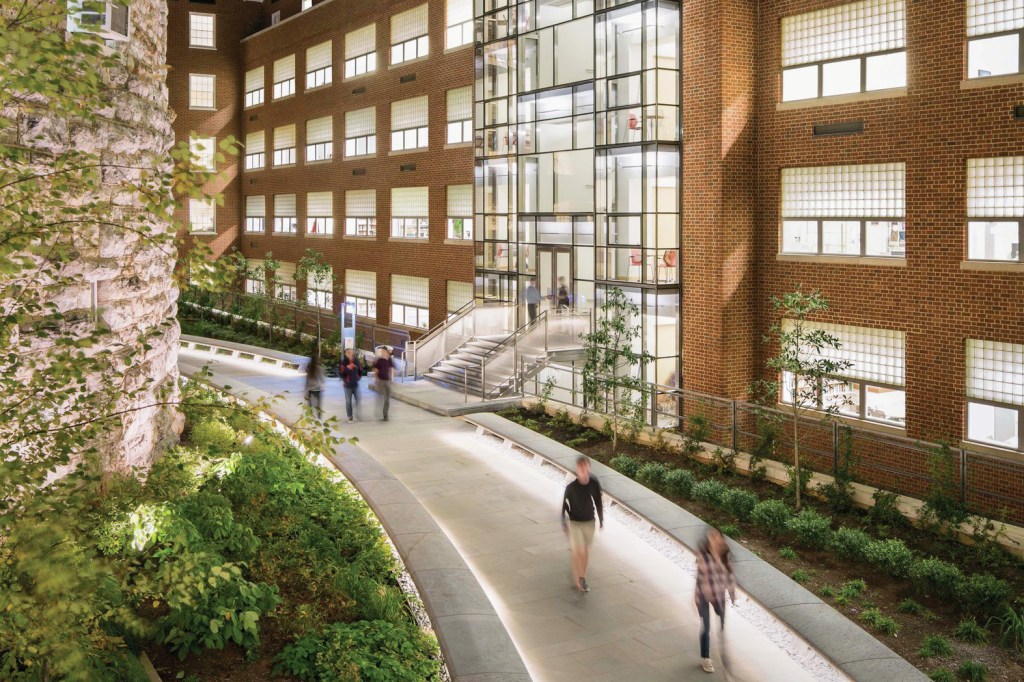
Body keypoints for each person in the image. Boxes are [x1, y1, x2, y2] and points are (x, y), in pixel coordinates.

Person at [694, 526, 737, 673]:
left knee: (722, 628)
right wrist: (696, 598)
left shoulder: (725, 556)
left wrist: (732, 594)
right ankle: (705, 657)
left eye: (717, 536)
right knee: (706, 627)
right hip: (704, 595)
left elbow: (730, 576)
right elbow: (701, 577)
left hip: (718, 596)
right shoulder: (704, 557)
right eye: (712, 537)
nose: (715, 539)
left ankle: (724, 658)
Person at [561, 456, 603, 592]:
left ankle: (582, 577)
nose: (583, 469)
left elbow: (598, 502)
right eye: (580, 467)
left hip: (589, 521)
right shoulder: (571, 488)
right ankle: (576, 578)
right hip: (575, 523)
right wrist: (564, 522)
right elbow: (564, 506)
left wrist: (601, 520)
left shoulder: (594, 484)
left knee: (585, 551)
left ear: (589, 468)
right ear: (577, 469)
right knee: (578, 551)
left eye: (585, 466)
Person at [339, 347, 362, 423]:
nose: (349, 353)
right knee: (348, 401)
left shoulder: (356, 361)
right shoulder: (343, 363)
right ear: (345, 354)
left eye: (350, 352)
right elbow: (341, 373)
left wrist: (358, 378)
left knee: (358, 399)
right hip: (347, 385)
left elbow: (360, 370)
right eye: (348, 352)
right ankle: (350, 417)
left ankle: (357, 413)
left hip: (355, 384)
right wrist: (344, 379)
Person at [372, 346, 394, 422]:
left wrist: (392, 378)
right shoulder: (379, 360)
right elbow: (376, 370)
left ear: (386, 352)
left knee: (387, 399)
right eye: (381, 352)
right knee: (383, 397)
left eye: (383, 351)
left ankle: (385, 414)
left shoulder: (389, 359)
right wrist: (376, 379)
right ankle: (383, 414)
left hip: (387, 381)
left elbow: (391, 369)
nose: (382, 353)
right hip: (381, 381)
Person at [304, 345, 325, 419]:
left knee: (310, 403)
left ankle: (310, 415)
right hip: (317, 388)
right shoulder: (319, 368)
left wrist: (306, 390)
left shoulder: (309, 369)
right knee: (318, 404)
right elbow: (322, 378)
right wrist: (322, 385)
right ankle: (319, 417)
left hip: (310, 388)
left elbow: (307, 380)